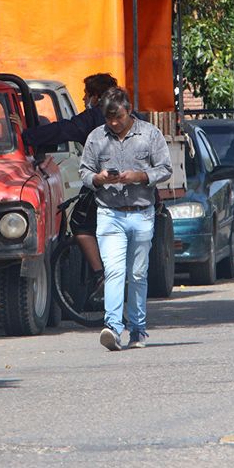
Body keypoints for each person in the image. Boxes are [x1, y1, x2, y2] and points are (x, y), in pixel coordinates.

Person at [79, 87, 172, 352]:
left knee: (138, 273)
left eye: (118, 117)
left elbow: (165, 168)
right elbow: (84, 171)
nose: (113, 123)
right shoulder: (96, 138)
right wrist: (98, 179)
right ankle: (112, 327)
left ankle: (138, 329)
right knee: (114, 271)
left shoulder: (150, 134)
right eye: (109, 118)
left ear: (129, 111)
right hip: (109, 214)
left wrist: (139, 176)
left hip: (142, 214)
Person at [21, 73, 121, 282]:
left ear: (96, 96)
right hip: (137, 189)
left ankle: (101, 276)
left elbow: (61, 130)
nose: (84, 99)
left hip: (106, 185)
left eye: (86, 94)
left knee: (80, 225)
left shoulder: (93, 117)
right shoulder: (133, 116)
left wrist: (25, 136)